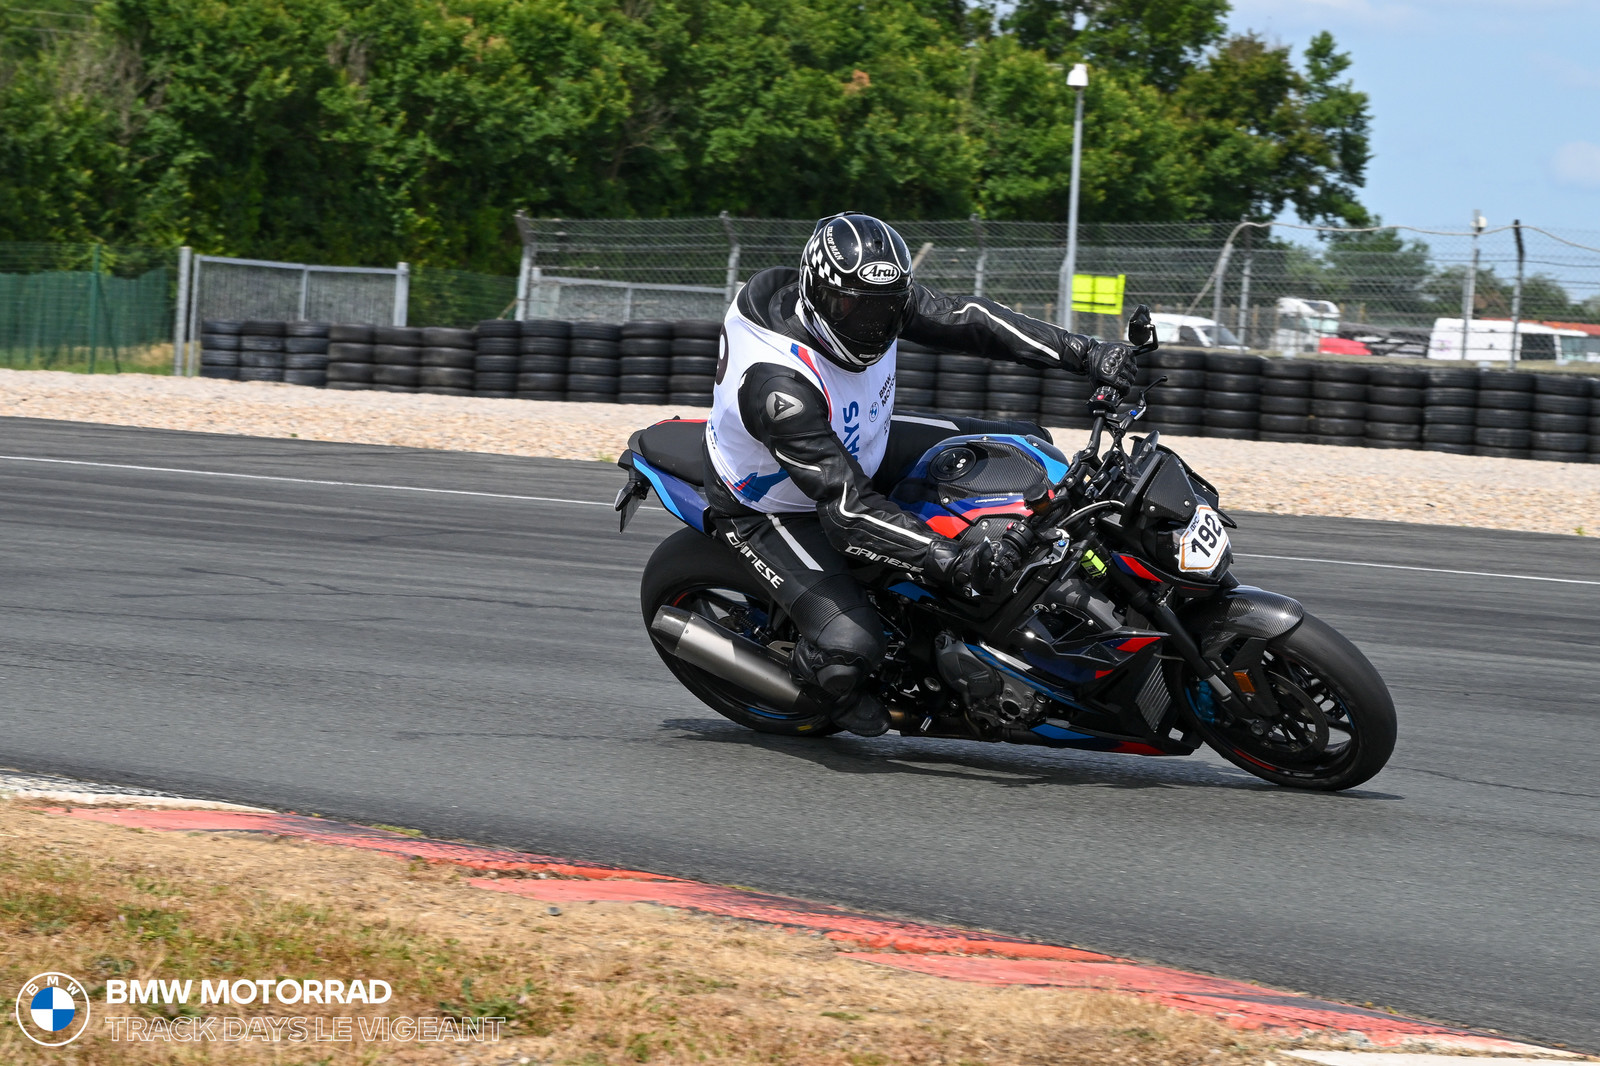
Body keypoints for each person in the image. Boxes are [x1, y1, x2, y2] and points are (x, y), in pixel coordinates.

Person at [704, 212, 1140, 737]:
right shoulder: (780, 390)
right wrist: (950, 560)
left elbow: (971, 318)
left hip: (863, 440)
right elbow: (846, 511)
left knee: (1027, 445)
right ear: (819, 296)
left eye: (887, 310)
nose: (874, 325)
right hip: (774, 504)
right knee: (850, 651)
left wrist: (1087, 353)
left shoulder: (866, 296)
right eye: (855, 310)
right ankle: (817, 687)